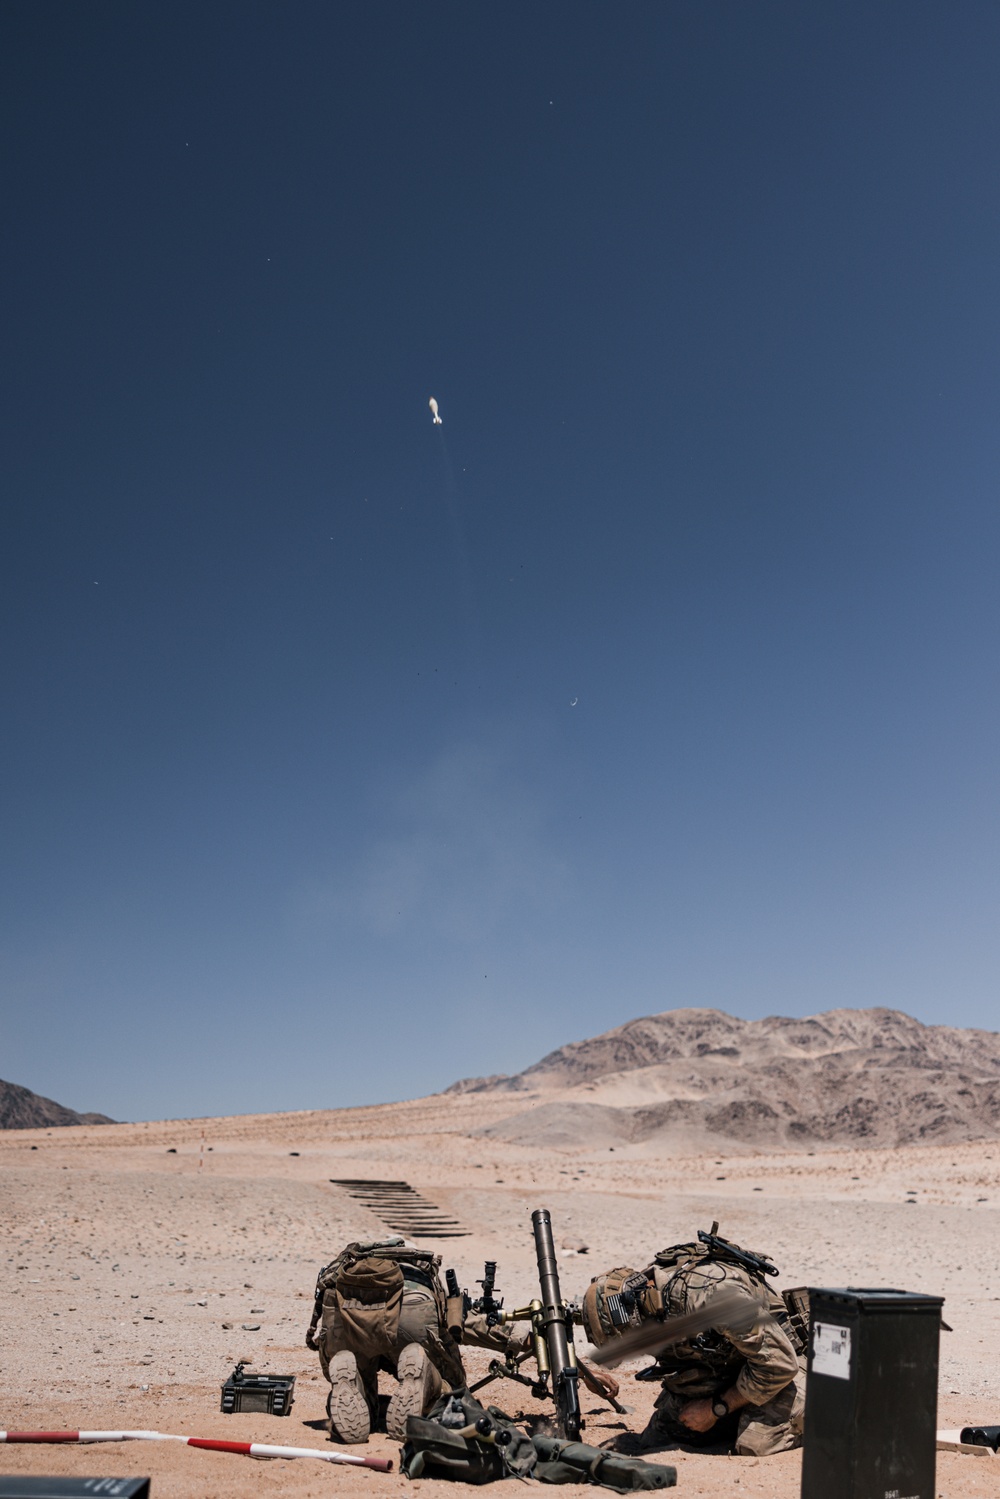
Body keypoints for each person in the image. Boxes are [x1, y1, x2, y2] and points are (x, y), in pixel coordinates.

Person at [580, 1226, 807, 1457]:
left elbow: (779, 1364)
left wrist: (716, 1408)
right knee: (658, 1439)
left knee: (755, 1444)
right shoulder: (650, 1297)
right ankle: (743, 1412)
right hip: (735, 1367)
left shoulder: (714, 1295)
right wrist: (585, 1373)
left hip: (790, 1365)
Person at [305, 1238, 525, 1444]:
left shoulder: (351, 1267)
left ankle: (354, 1384)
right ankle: (428, 1380)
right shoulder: (418, 1274)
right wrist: (522, 1338)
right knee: (454, 1397)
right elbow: (467, 1322)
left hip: (344, 1306)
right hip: (412, 1305)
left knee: (359, 1392)